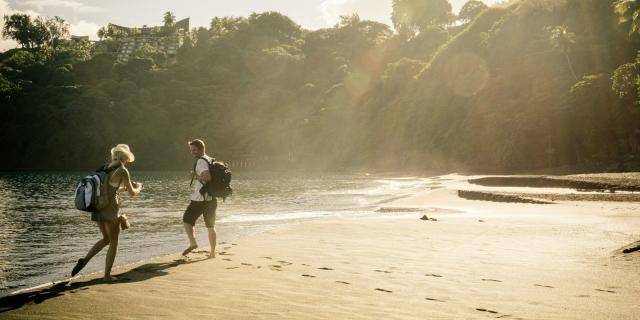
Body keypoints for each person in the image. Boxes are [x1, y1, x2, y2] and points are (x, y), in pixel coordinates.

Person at [71, 144, 142, 281]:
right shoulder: (122, 171)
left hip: (98, 208)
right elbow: (133, 193)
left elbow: (108, 189)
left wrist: (124, 189)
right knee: (114, 241)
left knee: (106, 239)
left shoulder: (105, 168)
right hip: (110, 210)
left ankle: (84, 261)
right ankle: (107, 276)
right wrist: (138, 187)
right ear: (126, 158)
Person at [182, 139, 218, 259]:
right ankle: (212, 253)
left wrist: (195, 176)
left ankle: (193, 242)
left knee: (187, 220)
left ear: (202, 149)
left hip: (200, 199)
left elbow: (207, 177)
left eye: (194, 150)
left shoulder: (201, 162)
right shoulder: (210, 159)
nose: (192, 152)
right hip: (212, 198)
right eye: (191, 150)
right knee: (210, 226)